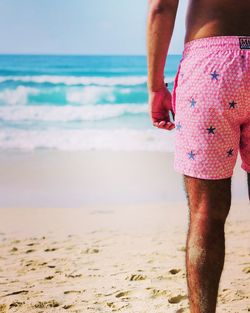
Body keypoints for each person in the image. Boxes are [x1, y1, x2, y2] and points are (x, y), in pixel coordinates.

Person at [146, 0, 250, 312]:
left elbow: (161, 7)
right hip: (212, 62)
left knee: (206, 213)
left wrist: (155, 86)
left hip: (212, 64)